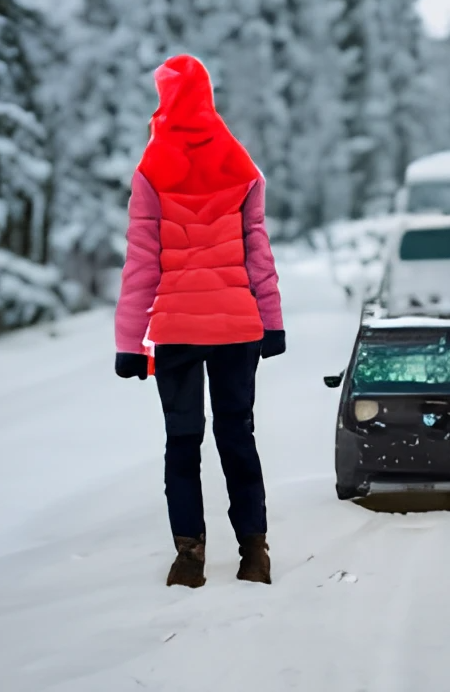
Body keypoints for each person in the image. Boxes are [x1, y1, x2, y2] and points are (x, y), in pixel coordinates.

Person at [114, 54, 286, 589]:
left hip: (178, 333)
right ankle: (254, 554)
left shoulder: (150, 169)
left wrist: (129, 343)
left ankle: (189, 558)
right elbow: (258, 251)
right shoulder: (240, 164)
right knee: (238, 436)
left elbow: (142, 262)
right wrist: (272, 320)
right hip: (237, 329)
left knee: (182, 442)